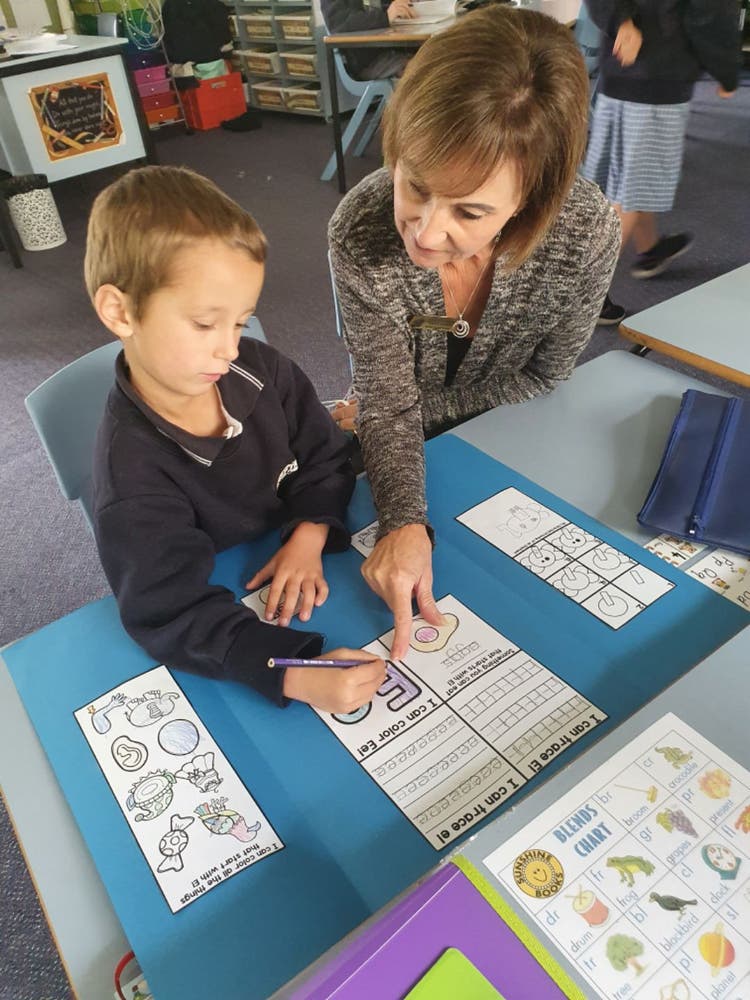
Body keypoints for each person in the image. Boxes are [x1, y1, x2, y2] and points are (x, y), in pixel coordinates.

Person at [328, 6, 620, 661]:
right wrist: (402, 518)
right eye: (415, 186)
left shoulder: (585, 232)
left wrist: (385, 415)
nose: (428, 233)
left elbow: (546, 377)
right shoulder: (362, 230)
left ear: (532, 200)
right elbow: (385, 390)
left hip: (514, 436)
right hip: (395, 449)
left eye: (471, 210)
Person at [84, 165, 385, 714]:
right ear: (120, 312)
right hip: (233, 608)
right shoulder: (130, 476)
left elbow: (325, 455)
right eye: (204, 325)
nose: (228, 350)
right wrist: (289, 670)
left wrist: (311, 530)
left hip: (301, 562)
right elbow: (169, 612)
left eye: (241, 323)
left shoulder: (262, 369)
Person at [582, 0, 739, 324]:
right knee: (630, 192)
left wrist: (622, 22)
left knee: (630, 176)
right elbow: (710, 15)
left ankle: (650, 246)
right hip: (659, 78)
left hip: (618, 69)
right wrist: (726, 72)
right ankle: (586, 296)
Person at [321, 0, 414, 81]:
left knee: (424, 56)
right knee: (419, 67)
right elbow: (339, 23)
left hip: (386, 49)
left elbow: (378, 8)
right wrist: (386, 16)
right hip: (367, 61)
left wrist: (399, 8)